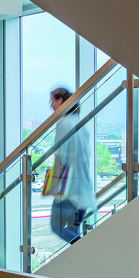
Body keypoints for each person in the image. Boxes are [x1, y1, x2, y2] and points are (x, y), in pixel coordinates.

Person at [45, 86, 96, 244]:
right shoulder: (79, 122)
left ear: (61, 101)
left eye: (52, 101)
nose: (51, 105)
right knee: (73, 231)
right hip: (83, 188)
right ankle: (85, 256)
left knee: (57, 227)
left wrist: (53, 185)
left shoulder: (63, 123)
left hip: (68, 190)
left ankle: (87, 253)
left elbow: (61, 156)